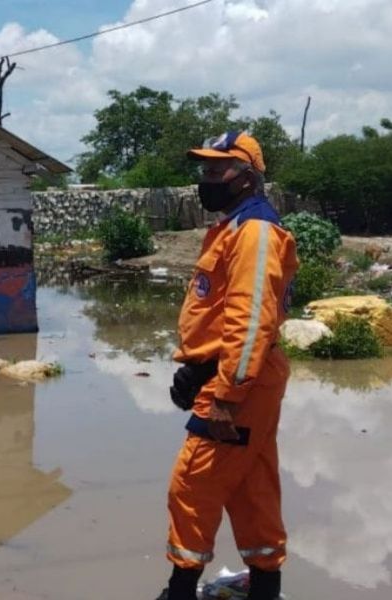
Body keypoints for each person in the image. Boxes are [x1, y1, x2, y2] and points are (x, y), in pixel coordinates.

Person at [158, 132, 299, 600]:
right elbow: (219, 313)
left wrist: (223, 392)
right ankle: (265, 587)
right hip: (233, 374)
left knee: (193, 483)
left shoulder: (254, 231)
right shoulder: (231, 227)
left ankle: (179, 590)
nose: (207, 180)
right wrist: (195, 369)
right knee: (250, 482)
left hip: (238, 382)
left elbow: (250, 315)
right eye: (205, 171)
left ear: (247, 177)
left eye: (218, 171)